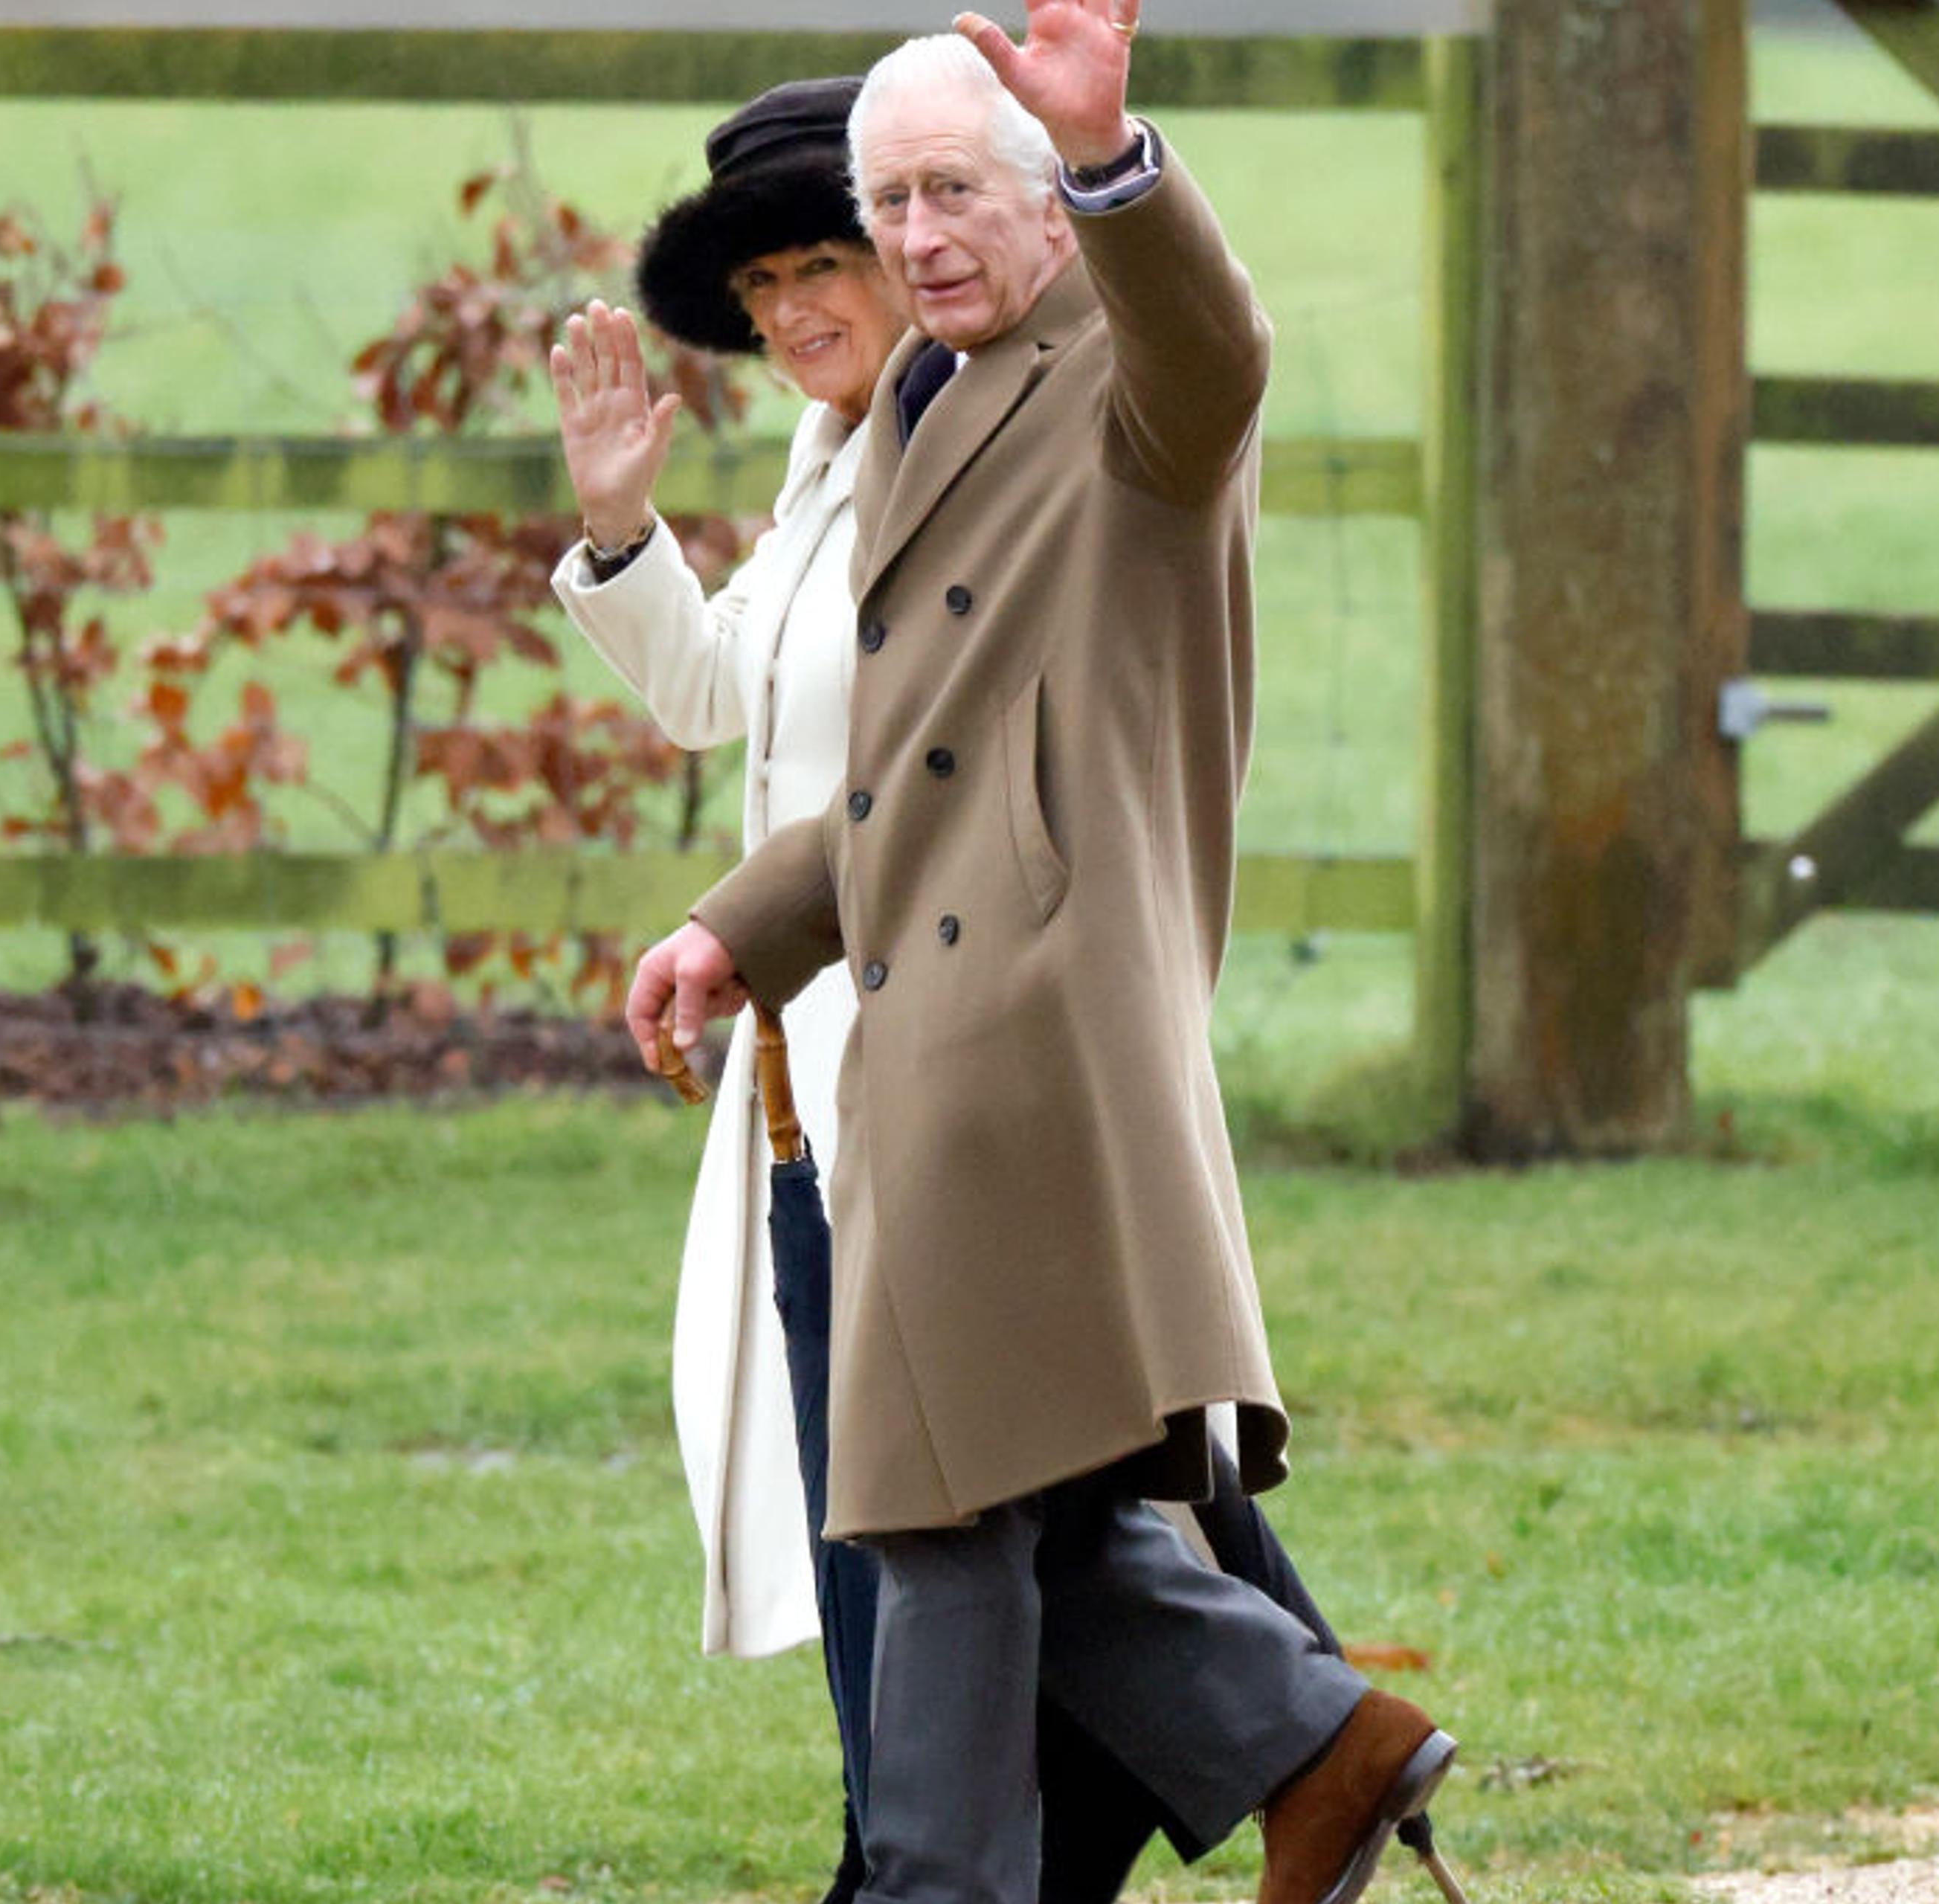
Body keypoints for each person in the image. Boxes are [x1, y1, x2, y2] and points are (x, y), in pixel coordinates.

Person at [623, 10, 1459, 1904]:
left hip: (1040, 1032)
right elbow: (916, 780)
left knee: (930, 1503)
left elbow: (1215, 344)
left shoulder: (1128, 384)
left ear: (1047, 210)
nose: (915, 236)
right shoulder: (920, 406)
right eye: (888, 198)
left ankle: (958, 1875)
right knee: (1013, 1490)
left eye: (956, 193)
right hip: (919, 1025)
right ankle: (1318, 1740)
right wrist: (734, 926)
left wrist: (1114, 158)